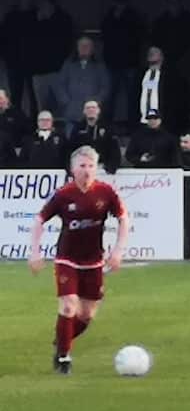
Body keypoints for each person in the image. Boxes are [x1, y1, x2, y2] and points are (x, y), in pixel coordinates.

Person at [29, 145, 130, 375]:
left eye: (91, 166)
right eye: (82, 166)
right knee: (68, 305)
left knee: (86, 314)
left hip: (94, 261)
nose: (87, 170)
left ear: (97, 168)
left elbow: (124, 219)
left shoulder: (106, 192)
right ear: (73, 169)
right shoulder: (64, 195)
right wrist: (35, 252)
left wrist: (118, 251)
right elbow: (38, 220)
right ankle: (63, 358)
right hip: (67, 259)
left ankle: (61, 341)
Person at [101, 0, 147, 124]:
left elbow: (139, 36)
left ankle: (133, 126)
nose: (119, 5)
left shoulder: (134, 17)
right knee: (110, 97)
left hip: (129, 62)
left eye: (121, 2)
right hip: (113, 62)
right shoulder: (109, 16)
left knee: (132, 97)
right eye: (117, 2)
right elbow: (105, 34)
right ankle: (106, 126)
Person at [55, 37, 110, 126]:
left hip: (92, 112)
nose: (84, 48)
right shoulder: (68, 64)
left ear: (92, 49)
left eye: (87, 46)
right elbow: (60, 85)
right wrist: (66, 101)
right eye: (81, 46)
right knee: (70, 137)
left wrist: (96, 102)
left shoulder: (100, 65)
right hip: (71, 110)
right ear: (77, 48)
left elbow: (105, 86)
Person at [134, 46, 187, 133]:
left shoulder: (170, 76)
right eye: (150, 53)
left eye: (155, 53)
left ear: (162, 57)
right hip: (143, 121)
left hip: (163, 122)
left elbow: (174, 100)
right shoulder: (141, 74)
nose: (151, 55)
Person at [1, 0, 38, 114]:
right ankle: (16, 121)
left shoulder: (35, 17)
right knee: (16, 94)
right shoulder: (11, 17)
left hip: (31, 62)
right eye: (24, 0)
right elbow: (4, 39)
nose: (25, 3)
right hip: (14, 61)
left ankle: (33, 121)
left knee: (34, 95)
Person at [68, 100, 122, 173]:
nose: (91, 110)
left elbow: (115, 150)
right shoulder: (78, 128)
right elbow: (71, 149)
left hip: (103, 169)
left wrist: (110, 167)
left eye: (93, 107)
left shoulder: (108, 127)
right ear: (84, 111)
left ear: (98, 110)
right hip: (83, 169)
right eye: (88, 108)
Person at [151, 0, 190, 68]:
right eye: (171, 2)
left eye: (176, 2)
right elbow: (155, 40)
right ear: (167, 4)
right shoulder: (160, 21)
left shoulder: (189, 20)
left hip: (185, 59)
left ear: (180, 4)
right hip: (166, 60)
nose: (173, 5)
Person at [0, 88, 31, 167]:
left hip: (15, 151)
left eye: (0, 98)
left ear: (7, 99)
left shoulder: (18, 114)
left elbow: (27, 132)